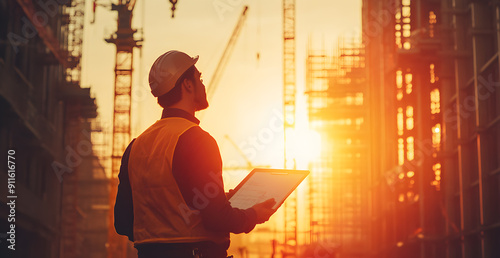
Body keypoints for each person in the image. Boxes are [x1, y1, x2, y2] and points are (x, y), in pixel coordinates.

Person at [114, 50, 277, 258]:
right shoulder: (197, 141)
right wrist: (253, 214)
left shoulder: (135, 148)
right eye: (199, 77)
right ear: (187, 84)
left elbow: (124, 222)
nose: (202, 84)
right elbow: (216, 218)